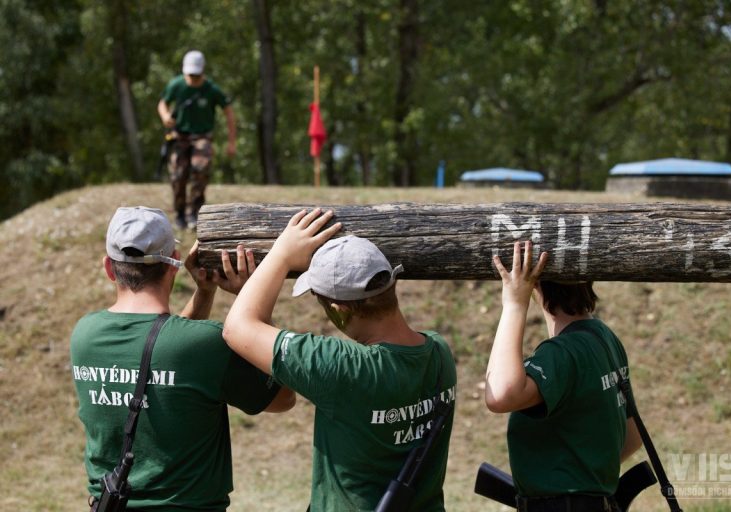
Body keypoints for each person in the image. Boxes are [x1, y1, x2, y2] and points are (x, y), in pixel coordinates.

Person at [222, 208, 457, 511]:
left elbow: (238, 328)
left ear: (340, 309)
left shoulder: (343, 367)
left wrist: (281, 254)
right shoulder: (439, 352)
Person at [70, 206, 294, 511]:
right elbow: (282, 398)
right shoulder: (205, 343)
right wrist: (253, 304)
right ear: (172, 264)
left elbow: (160, 347)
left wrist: (204, 294)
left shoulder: (84, 335)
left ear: (110, 268)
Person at [484, 241, 642, 512]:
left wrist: (513, 304)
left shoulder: (561, 353)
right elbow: (632, 436)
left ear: (535, 284)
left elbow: (501, 395)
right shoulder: (603, 339)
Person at [157, 50, 237, 230]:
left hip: (202, 136)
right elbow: (162, 102)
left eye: (196, 75)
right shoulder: (176, 85)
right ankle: (179, 213)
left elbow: (229, 113)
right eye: (190, 75)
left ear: (202, 71)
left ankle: (195, 212)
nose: (193, 79)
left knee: (201, 170)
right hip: (180, 136)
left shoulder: (211, 90)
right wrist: (165, 116)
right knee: (178, 176)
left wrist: (232, 142)